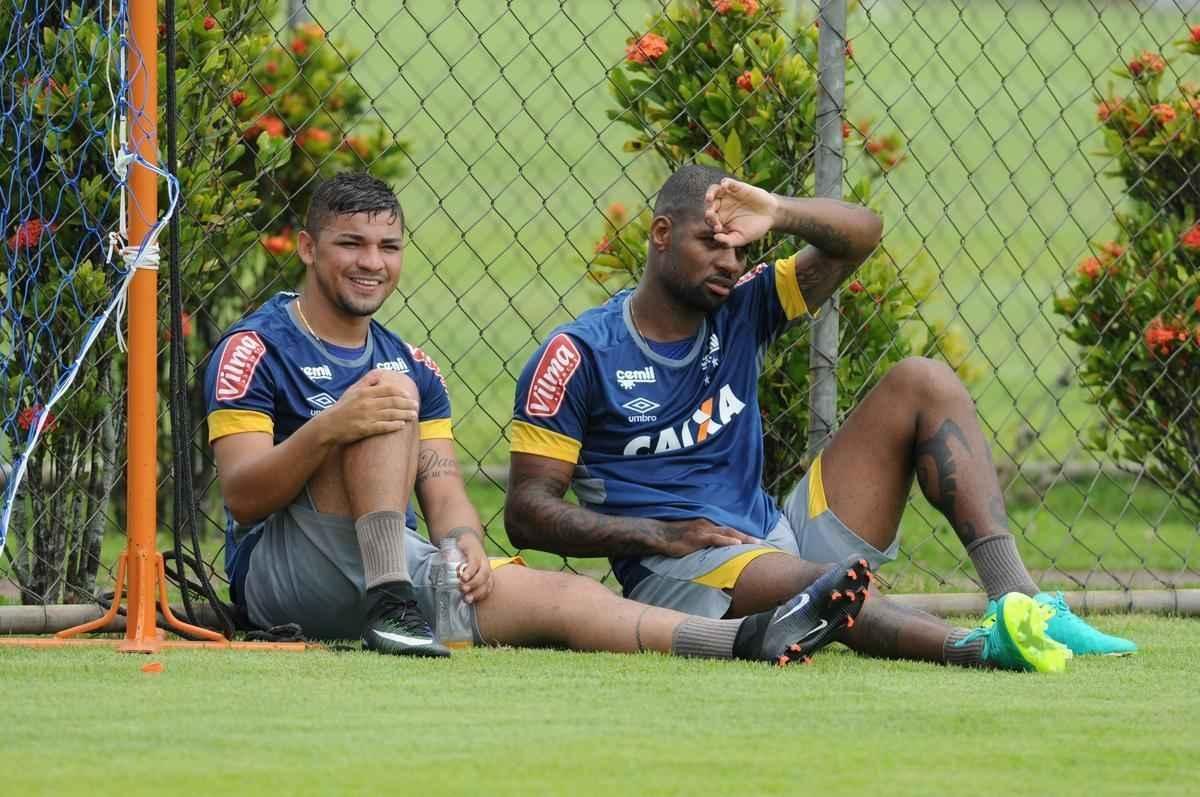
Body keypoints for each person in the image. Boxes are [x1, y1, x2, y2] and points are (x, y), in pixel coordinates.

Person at [203, 171, 876, 665]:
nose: (371, 263)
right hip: (285, 576)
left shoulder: (413, 363)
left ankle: (741, 640)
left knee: (563, 597)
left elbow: (443, 488)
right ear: (307, 248)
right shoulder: (256, 347)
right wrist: (334, 424)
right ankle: (389, 607)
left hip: (401, 565)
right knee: (386, 395)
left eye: (388, 246)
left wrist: (462, 543)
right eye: (351, 244)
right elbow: (243, 495)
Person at [505, 164, 1135, 671]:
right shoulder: (578, 355)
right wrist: (658, 535)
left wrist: (777, 211)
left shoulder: (741, 307)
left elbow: (862, 234)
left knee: (924, 381)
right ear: (661, 234)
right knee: (830, 584)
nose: (729, 263)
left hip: (775, 534)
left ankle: (1023, 602)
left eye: (739, 248)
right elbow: (527, 513)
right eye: (711, 243)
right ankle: (982, 647)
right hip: (682, 571)